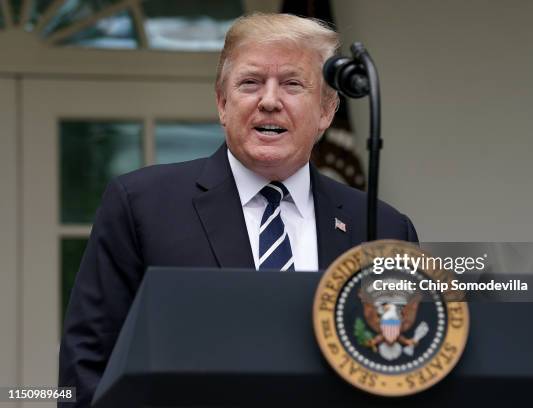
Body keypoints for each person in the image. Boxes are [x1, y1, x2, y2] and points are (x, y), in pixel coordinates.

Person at [58, 13, 418, 407]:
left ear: (327, 111)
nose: (269, 101)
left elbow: (406, 369)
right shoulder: (141, 205)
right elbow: (87, 367)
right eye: (250, 83)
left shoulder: (382, 227)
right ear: (222, 103)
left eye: (292, 84)